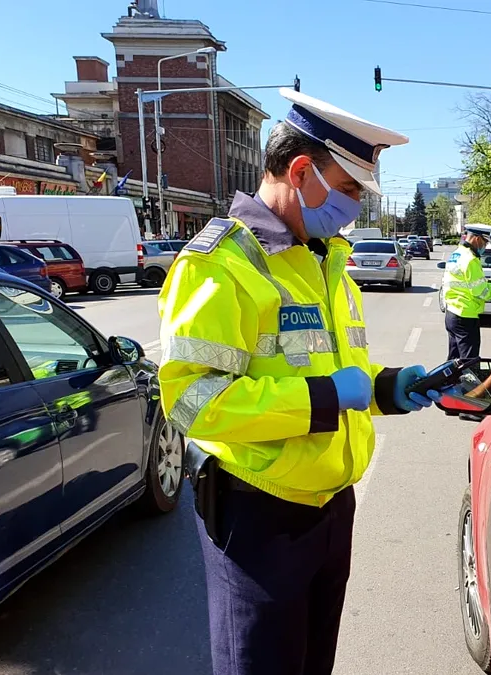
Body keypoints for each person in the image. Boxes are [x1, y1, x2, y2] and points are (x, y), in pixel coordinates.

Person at [156, 89, 447, 675]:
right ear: (299, 171)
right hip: (258, 521)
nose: (353, 210)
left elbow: (333, 367)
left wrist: (388, 388)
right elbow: (192, 402)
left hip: (331, 511)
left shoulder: (325, 260)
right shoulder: (220, 266)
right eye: (346, 191)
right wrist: (326, 399)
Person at [442, 224, 491, 359]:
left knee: (454, 361)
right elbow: (480, 291)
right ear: (477, 239)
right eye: (485, 242)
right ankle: (464, 381)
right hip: (466, 315)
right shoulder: (471, 259)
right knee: (469, 362)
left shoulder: (456, 254)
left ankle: (449, 381)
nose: (485, 247)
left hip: (452, 312)